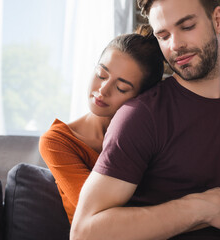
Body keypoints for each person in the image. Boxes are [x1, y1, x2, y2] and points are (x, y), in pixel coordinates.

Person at [70, 0, 220, 240]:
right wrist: (202, 209)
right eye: (163, 36)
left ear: (217, 20)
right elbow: (84, 232)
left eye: (186, 26)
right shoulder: (140, 116)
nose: (175, 45)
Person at [39, 30, 164, 224]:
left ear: (142, 97)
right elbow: (94, 215)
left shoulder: (149, 139)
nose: (103, 90)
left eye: (121, 88)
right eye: (101, 74)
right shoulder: (58, 141)